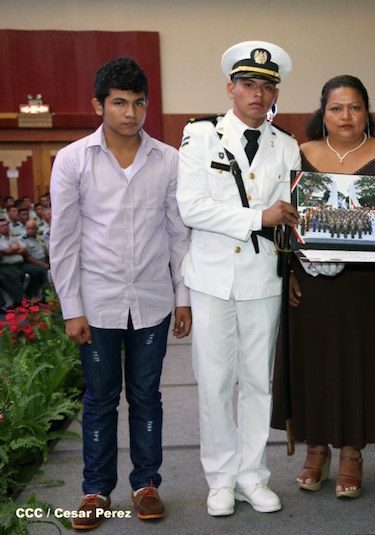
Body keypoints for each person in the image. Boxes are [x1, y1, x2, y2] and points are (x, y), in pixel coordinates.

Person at [49, 56, 192, 530]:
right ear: (99, 105)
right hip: (97, 303)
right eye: (119, 103)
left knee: (147, 396)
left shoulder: (168, 160)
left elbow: (179, 235)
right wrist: (72, 308)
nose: (131, 113)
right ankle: (95, 491)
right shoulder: (73, 160)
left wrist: (183, 297)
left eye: (138, 103)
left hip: (152, 301)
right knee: (100, 398)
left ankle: (146, 484)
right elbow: (63, 241)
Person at [270, 74, 375, 499]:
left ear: (367, 111)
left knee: (358, 365)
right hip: (310, 284)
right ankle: (316, 449)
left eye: (355, 107)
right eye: (336, 108)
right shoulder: (299, 153)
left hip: (366, 285)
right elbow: (284, 216)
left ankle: (352, 453)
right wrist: (289, 272)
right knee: (312, 363)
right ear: (324, 112)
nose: (346, 116)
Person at [176, 40, 300, 517]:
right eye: (248, 84)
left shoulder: (285, 145)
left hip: (262, 278)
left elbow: (293, 216)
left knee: (256, 383)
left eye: (267, 86)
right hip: (211, 278)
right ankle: (220, 479)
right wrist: (257, 217)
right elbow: (192, 207)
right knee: (214, 381)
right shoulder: (200, 135)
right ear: (230, 89)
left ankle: (252, 475)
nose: (257, 94)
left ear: (275, 94)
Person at [0, 217, 46, 301]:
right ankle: (22, 301)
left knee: (38, 270)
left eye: (6, 225)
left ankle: (31, 295)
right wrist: (15, 249)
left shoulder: (14, 237)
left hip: (21, 263)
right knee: (16, 275)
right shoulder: (1, 239)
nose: (5, 227)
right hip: (8, 265)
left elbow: (25, 249)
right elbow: (7, 250)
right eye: (2, 226)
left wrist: (11, 251)